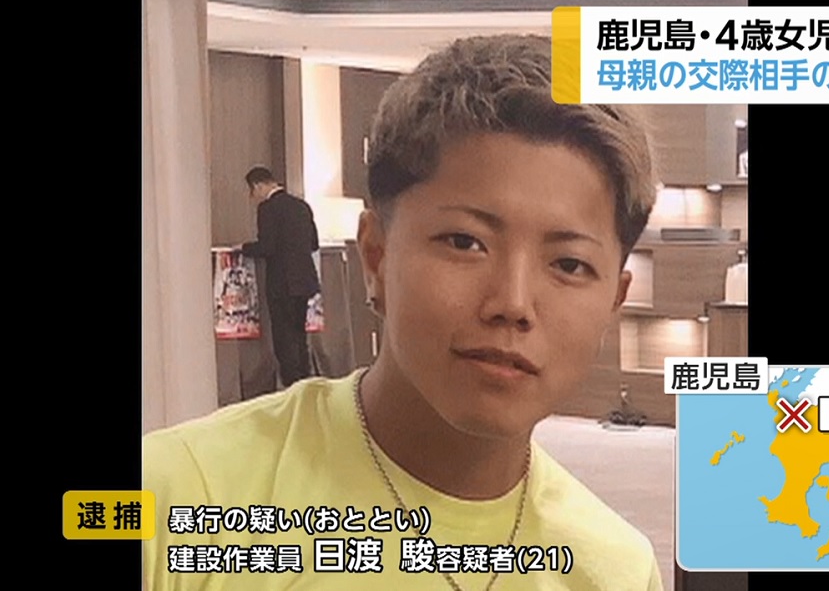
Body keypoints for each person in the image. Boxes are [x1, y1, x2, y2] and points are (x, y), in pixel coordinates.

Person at [144, 34, 660, 590]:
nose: (513, 303)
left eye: (569, 264)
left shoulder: (616, 570)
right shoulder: (173, 497)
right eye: (464, 242)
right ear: (376, 256)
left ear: (613, 301)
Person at [241, 166, 320, 387]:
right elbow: (314, 243)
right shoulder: (302, 206)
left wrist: (244, 248)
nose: (253, 197)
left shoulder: (267, 209)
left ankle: (291, 386)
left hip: (281, 282)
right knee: (300, 336)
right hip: (303, 281)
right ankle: (305, 383)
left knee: (284, 339)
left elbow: (267, 247)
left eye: (252, 191)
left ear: (258, 186)